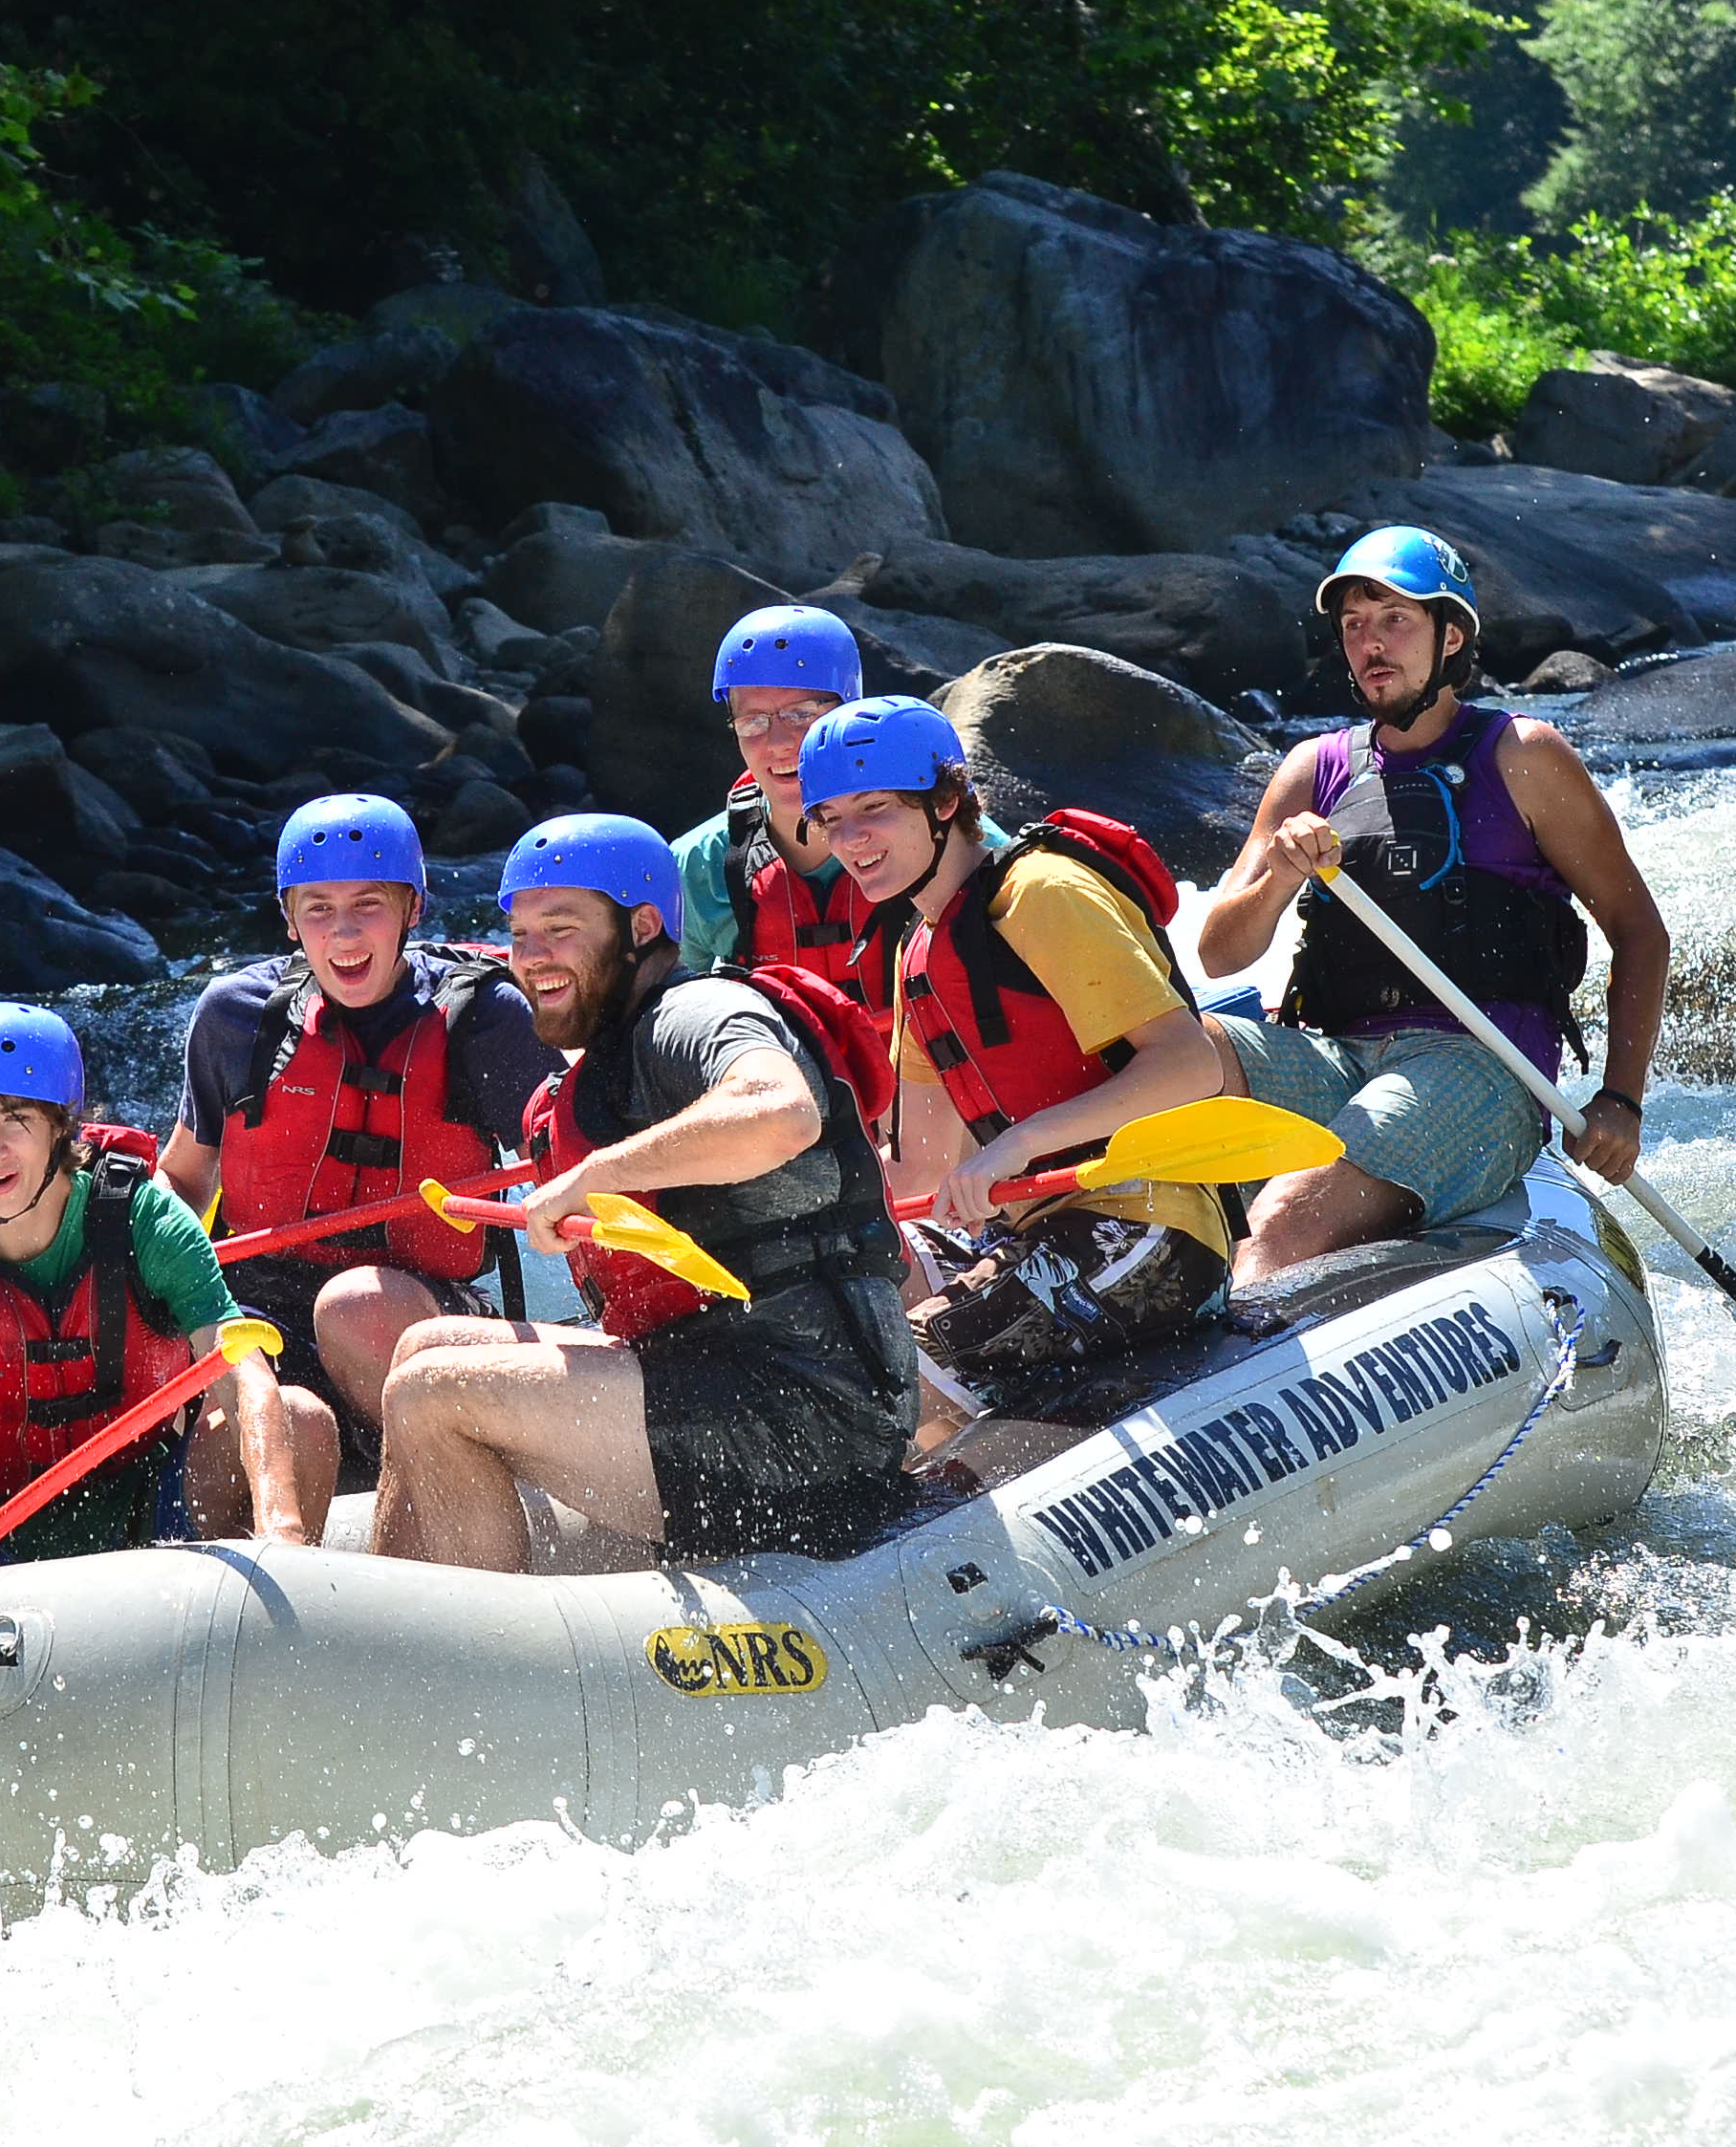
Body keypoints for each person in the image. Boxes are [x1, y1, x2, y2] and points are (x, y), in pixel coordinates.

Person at [368, 813, 920, 1572]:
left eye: (561, 929)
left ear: (643, 925)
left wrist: (592, 1176)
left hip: (810, 1414)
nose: (533, 958)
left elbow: (782, 1111)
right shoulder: (616, 1046)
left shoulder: (697, 1014)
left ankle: (480, 1669)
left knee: (436, 1391)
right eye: (521, 936)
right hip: (713, 1376)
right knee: (425, 1344)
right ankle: (395, 1620)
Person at [1195, 525, 1669, 1278]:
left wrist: (1621, 1099)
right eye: (1354, 626)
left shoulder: (1524, 755)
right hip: (1333, 1057)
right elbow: (1218, 951)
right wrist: (1283, 875)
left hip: (1477, 1072)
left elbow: (1639, 930)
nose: (1371, 644)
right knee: (1173, 1054)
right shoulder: (1310, 771)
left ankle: (1241, 1348)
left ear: (1451, 637)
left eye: (1395, 620)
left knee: (1285, 1220)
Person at [0, 1002, 336, 1616]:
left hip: (149, 1522)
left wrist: (281, 1528)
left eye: (16, 1119)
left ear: (61, 1125)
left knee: (300, 1416)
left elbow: (242, 1375)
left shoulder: (146, 1220)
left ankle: (273, 1633)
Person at [797, 696, 1232, 1406]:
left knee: (894, 1369)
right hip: (1034, 1228)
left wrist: (1017, 1144)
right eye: (831, 819)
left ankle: (931, 1490)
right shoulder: (920, 955)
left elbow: (1191, 1065)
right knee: (844, 1300)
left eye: (873, 808)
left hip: (1152, 1226)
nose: (851, 839)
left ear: (944, 800)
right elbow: (921, 1169)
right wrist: (785, 1199)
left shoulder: (1042, 893)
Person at [156, 794, 557, 1463]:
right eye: (318, 908)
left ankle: (440, 1480)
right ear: (289, 920)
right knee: (229, 1382)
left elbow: (569, 1172)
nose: (343, 934)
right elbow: (183, 1179)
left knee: (353, 1306)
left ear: (414, 910)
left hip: (420, 1310)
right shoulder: (236, 1015)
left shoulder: (485, 1019)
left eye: (368, 905)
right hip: (260, 1307)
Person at [669, 605, 1009, 1031]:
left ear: (848, 710)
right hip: (789, 1084)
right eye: (753, 721)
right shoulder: (696, 866)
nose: (778, 743)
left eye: (802, 713)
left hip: (928, 1078)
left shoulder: (941, 828)